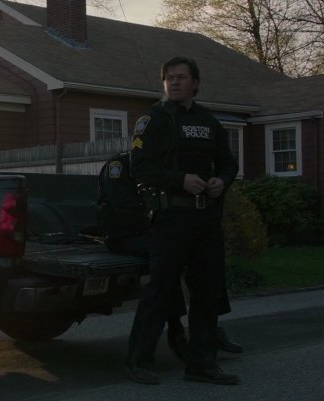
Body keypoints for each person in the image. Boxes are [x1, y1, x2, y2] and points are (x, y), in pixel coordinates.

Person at [124, 57, 240, 385]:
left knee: (207, 292)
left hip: (205, 218)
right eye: (169, 78)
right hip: (170, 217)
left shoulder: (208, 121)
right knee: (159, 292)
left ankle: (202, 365)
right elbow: (140, 167)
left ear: (195, 83)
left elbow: (229, 164)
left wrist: (222, 181)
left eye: (180, 77)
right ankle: (138, 361)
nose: (173, 82)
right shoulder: (153, 120)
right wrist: (180, 180)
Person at [97, 152, 243, 364]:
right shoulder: (120, 165)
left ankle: (210, 328)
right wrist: (163, 227)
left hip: (155, 231)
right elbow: (124, 208)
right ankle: (176, 330)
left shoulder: (163, 167)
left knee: (204, 256)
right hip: (125, 235)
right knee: (169, 256)